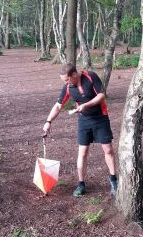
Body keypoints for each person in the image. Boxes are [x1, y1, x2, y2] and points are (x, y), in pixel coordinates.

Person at [42, 63, 118, 197]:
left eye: (67, 79)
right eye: (64, 81)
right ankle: (81, 184)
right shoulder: (67, 87)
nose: (66, 83)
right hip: (84, 121)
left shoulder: (90, 77)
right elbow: (58, 106)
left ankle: (113, 180)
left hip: (100, 118)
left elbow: (101, 95)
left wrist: (85, 105)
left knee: (108, 149)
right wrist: (48, 121)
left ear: (75, 75)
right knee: (82, 153)